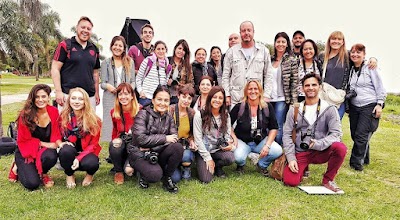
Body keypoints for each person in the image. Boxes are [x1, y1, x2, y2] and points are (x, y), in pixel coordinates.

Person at [282, 73, 347, 193]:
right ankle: (303, 167)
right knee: (290, 181)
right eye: (307, 85)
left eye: (314, 85)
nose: (310, 88)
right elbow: (286, 134)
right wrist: (291, 158)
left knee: (340, 148)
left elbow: (336, 134)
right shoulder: (295, 109)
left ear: (320, 87)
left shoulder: (329, 109)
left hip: (321, 150)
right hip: (300, 151)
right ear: (302, 89)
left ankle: (328, 180)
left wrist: (318, 143)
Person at [127, 86, 184, 193]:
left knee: (178, 147)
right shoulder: (142, 114)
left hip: (156, 153)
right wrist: (165, 138)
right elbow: (141, 139)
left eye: (166, 100)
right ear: (153, 100)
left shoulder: (169, 117)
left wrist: (151, 145)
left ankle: (167, 178)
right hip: (140, 154)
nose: (162, 103)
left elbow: (175, 138)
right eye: (159, 99)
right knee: (154, 175)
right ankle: (141, 172)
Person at [10, 84, 61, 190]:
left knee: (51, 156)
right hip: (26, 152)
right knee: (32, 184)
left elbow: (56, 134)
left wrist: (57, 143)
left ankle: (43, 174)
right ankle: (17, 166)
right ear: (32, 99)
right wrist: (43, 144)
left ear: (48, 97)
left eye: (43, 96)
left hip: (44, 151)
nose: (40, 100)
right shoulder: (26, 115)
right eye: (37, 97)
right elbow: (23, 140)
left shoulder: (54, 111)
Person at [319, 31, 377, 119]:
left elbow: (360, 58)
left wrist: (373, 59)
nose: (336, 41)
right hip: (324, 96)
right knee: (321, 126)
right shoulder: (322, 56)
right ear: (329, 41)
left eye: (339, 39)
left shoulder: (347, 55)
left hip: (339, 97)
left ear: (343, 42)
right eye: (333, 39)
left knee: (335, 126)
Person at [230, 80, 282, 176]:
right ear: (246, 91)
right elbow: (227, 125)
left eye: (255, 89)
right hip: (242, 141)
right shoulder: (239, 107)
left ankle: (261, 165)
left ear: (260, 91)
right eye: (250, 89)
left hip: (260, 141)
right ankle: (241, 165)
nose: (253, 91)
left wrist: (267, 145)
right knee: (238, 157)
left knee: (277, 150)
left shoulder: (267, 107)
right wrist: (234, 138)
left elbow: (274, 128)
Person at [347, 44, 386, 171]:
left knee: (361, 134)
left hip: (369, 105)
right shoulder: (351, 69)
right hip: (354, 106)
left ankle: (356, 164)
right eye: (352, 52)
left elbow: (380, 86)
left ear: (364, 54)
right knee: (354, 134)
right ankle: (365, 158)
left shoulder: (371, 68)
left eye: (359, 52)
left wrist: (379, 104)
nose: (355, 55)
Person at [51, 16, 100, 110]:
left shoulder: (94, 49)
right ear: (77, 28)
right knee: (65, 124)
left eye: (88, 29)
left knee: (89, 124)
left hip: (89, 96)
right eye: (83, 27)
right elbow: (55, 68)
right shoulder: (65, 45)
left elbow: (95, 73)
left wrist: (96, 93)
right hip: (67, 95)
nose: (85, 30)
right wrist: (58, 91)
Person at [222, 21, 273, 107]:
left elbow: (268, 75)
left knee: (255, 120)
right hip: (236, 98)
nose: (246, 33)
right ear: (240, 33)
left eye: (249, 30)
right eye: (243, 31)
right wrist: (227, 95)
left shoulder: (263, 51)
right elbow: (225, 76)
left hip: (257, 98)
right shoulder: (231, 52)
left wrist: (266, 95)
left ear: (253, 32)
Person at [58, 88, 102, 188]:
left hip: (87, 152)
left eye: (80, 99)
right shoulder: (63, 117)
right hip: (70, 150)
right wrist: (61, 144)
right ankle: (69, 174)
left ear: (85, 101)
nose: (76, 101)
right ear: (69, 100)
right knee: (65, 151)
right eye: (73, 98)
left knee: (92, 163)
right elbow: (58, 137)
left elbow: (94, 144)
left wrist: (78, 158)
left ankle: (90, 174)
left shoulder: (95, 120)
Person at [193, 86, 236, 183]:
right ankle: (202, 164)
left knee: (230, 158)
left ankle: (218, 166)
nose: (217, 100)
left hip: (218, 149)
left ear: (224, 100)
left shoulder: (226, 115)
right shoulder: (200, 114)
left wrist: (231, 146)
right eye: (215, 97)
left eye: (220, 98)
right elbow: (198, 139)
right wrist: (207, 158)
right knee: (206, 179)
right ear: (210, 98)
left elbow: (227, 137)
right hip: (204, 149)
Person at [100, 36, 135, 142]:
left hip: (126, 97)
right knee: (110, 120)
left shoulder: (130, 62)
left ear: (124, 48)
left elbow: (133, 81)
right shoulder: (105, 63)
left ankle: (127, 140)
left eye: (120, 45)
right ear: (111, 46)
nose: (117, 48)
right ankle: (108, 142)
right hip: (110, 96)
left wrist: (128, 90)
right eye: (115, 45)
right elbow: (102, 84)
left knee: (126, 119)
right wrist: (108, 86)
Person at [270, 32, 299, 145]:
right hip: (269, 98)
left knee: (278, 126)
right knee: (268, 127)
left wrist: (293, 102)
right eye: (278, 42)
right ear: (275, 43)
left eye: (283, 42)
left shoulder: (291, 60)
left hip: (282, 98)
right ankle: (270, 150)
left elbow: (294, 82)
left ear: (287, 44)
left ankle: (278, 150)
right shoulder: (270, 59)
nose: (280, 44)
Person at [109, 83, 140, 184]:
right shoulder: (114, 112)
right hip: (122, 141)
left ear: (132, 96)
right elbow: (114, 130)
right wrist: (114, 144)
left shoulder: (140, 110)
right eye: (120, 94)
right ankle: (118, 172)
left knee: (129, 171)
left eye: (126, 94)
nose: (123, 97)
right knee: (115, 145)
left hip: (135, 143)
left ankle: (129, 165)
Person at [169, 84, 197, 181]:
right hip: (171, 145)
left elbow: (193, 132)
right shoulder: (170, 110)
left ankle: (186, 167)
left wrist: (192, 141)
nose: (186, 100)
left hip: (185, 145)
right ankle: (174, 165)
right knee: (175, 179)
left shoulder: (192, 113)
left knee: (186, 157)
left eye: (189, 98)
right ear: (178, 96)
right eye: (184, 97)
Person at [136, 40, 171, 107]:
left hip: (159, 100)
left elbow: (165, 83)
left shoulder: (168, 66)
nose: (161, 51)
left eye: (163, 49)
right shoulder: (148, 61)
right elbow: (139, 77)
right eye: (158, 49)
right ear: (154, 50)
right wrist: (140, 91)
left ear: (166, 50)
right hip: (145, 97)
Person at [168, 39, 194, 104]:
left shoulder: (187, 66)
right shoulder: (167, 61)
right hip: (165, 94)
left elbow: (191, 84)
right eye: (179, 48)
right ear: (175, 48)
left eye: (184, 50)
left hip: (179, 97)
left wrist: (178, 85)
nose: (181, 51)